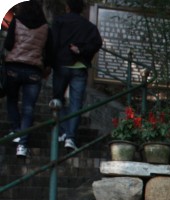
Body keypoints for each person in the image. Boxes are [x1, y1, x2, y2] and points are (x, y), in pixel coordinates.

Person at [3, 1, 54, 159]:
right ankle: (22, 146)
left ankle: (16, 130)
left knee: (12, 100)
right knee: (28, 108)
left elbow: (8, 44)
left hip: (13, 68)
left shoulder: (16, 21)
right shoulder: (46, 27)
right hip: (34, 71)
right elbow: (49, 53)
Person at [51, 0, 102, 151]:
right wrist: (82, 50)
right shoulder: (88, 26)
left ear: (67, 7)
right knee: (76, 103)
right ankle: (70, 137)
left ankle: (62, 131)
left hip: (61, 65)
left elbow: (53, 43)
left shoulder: (59, 21)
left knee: (58, 100)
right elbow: (97, 43)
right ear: (81, 9)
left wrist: (49, 63)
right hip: (79, 67)